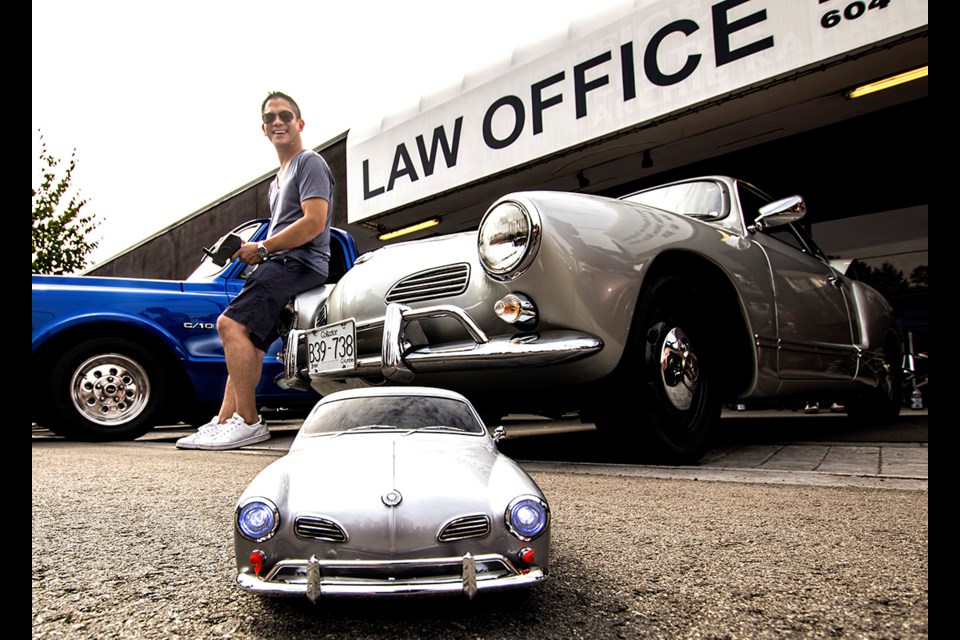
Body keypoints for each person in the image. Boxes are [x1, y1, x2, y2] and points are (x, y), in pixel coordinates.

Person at [177, 91, 333, 450]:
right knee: (246, 342)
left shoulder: (308, 163)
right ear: (263, 129)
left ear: (300, 123)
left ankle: (248, 421)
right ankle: (222, 421)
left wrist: (262, 248)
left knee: (229, 325)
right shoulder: (276, 181)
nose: (277, 122)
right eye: (270, 118)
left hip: (298, 262)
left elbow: (313, 223)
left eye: (285, 115)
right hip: (281, 262)